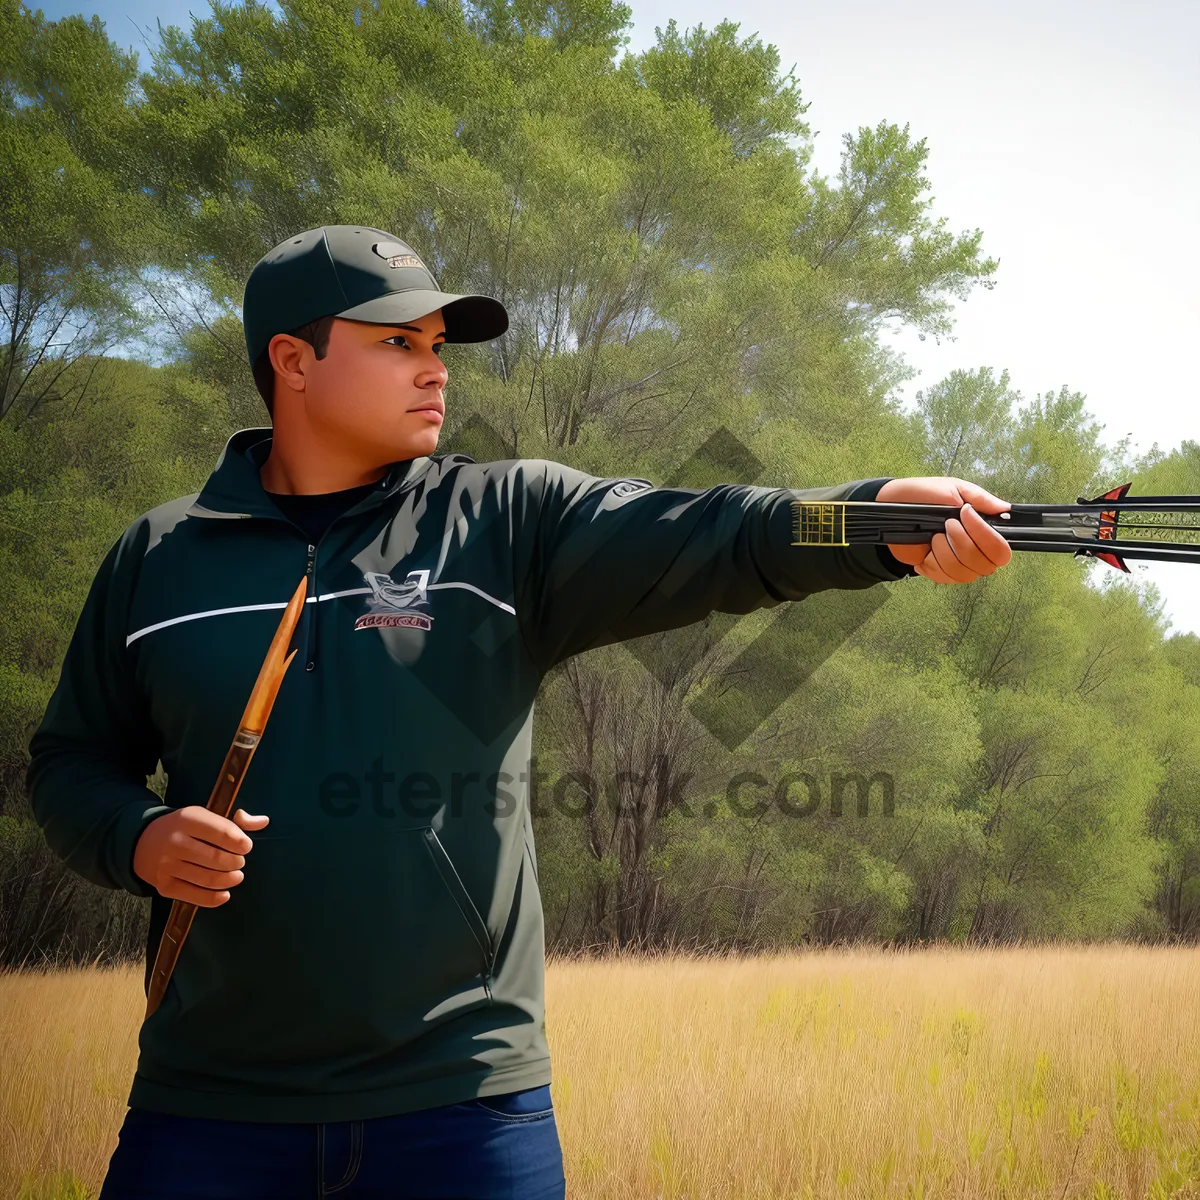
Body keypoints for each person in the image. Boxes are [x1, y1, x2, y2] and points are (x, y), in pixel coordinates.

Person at [25, 225, 1013, 1199]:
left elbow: (718, 532)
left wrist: (879, 518)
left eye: (437, 347)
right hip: (207, 1115)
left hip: (464, 1111)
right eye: (396, 343)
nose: (434, 371)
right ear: (293, 359)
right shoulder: (158, 560)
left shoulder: (506, 524)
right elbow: (70, 765)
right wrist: (140, 836)